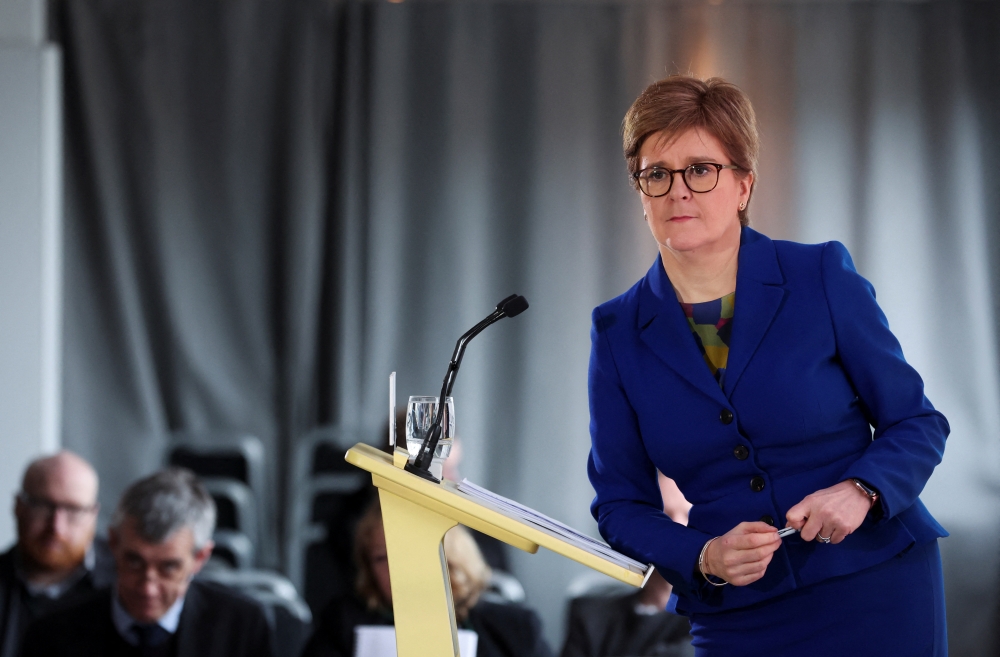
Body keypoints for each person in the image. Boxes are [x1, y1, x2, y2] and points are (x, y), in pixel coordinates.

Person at [587, 74, 949, 655]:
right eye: (657, 173)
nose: (678, 191)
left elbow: (918, 422)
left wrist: (862, 489)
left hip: (874, 584)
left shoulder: (821, 275)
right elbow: (619, 504)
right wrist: (702, 554)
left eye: (701, 169)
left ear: (744, 186)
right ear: (641, 191)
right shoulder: (616, 331)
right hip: (736, 611)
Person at [21, 467, 274, 657]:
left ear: (200, 558)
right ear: (113, 543)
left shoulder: (242, 627)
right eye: (134, 562)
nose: (147, 587)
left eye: (168, 567)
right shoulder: (53, 631)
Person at [302, 498, 552, 657]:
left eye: (411, 552)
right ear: (367, 567)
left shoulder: (515, 627)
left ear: (451, 559)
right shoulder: (343, 622)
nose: (398, 569)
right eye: (382, 558)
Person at [560, 474, 693, 657]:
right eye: (662, 515)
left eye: (689, 515)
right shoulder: (591, 615)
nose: (678, 526)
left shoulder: (719, 621)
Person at [0, 451, 113, 657]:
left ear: (93, 515)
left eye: (73, 510)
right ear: (19, 507)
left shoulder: (129, 585)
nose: (56, 527)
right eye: (43, 506)